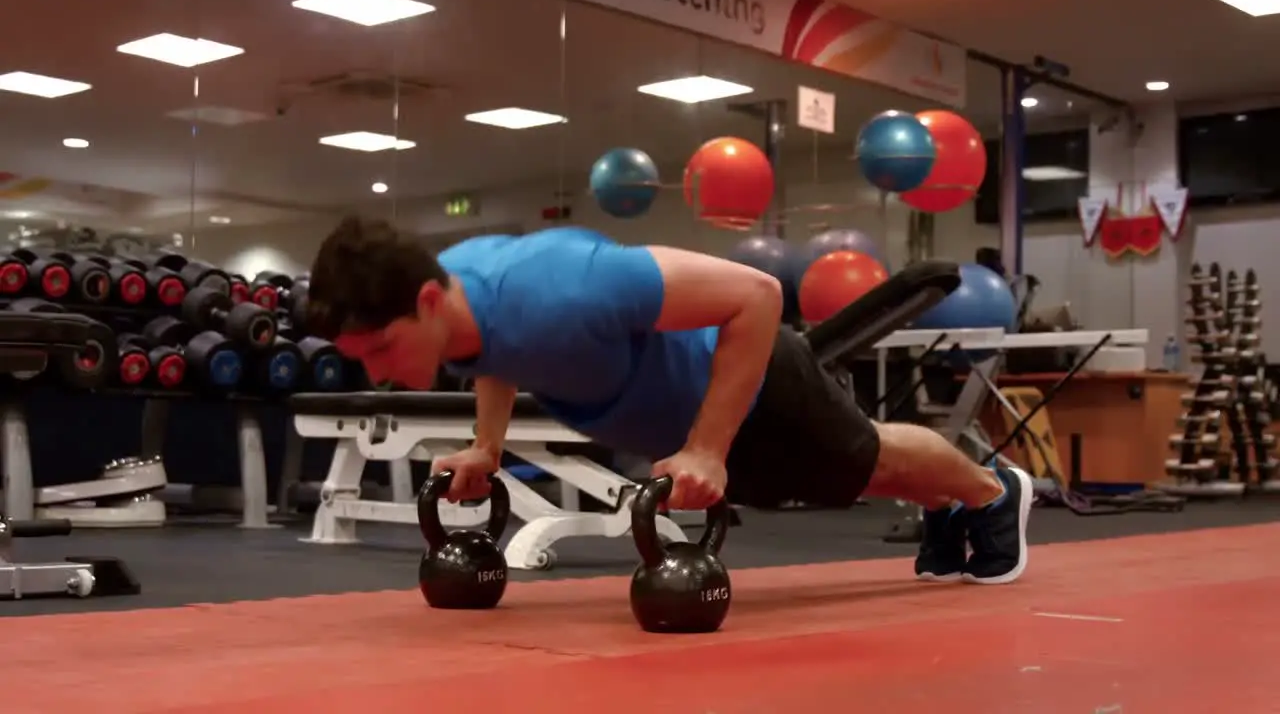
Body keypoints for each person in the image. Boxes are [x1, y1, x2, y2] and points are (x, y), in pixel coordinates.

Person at [305, 218, 1033, 585]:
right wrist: (487, 447)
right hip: (689, 424)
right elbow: (494, 354)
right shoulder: (455, 302)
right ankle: (950, 506)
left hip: (747, 382)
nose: (380, 371)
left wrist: (709, 446)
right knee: (859, 477)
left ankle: (993, 492)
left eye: (380, 350)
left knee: (870, 462)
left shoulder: (570, 283)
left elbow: (756, 293)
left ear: (428, 300)